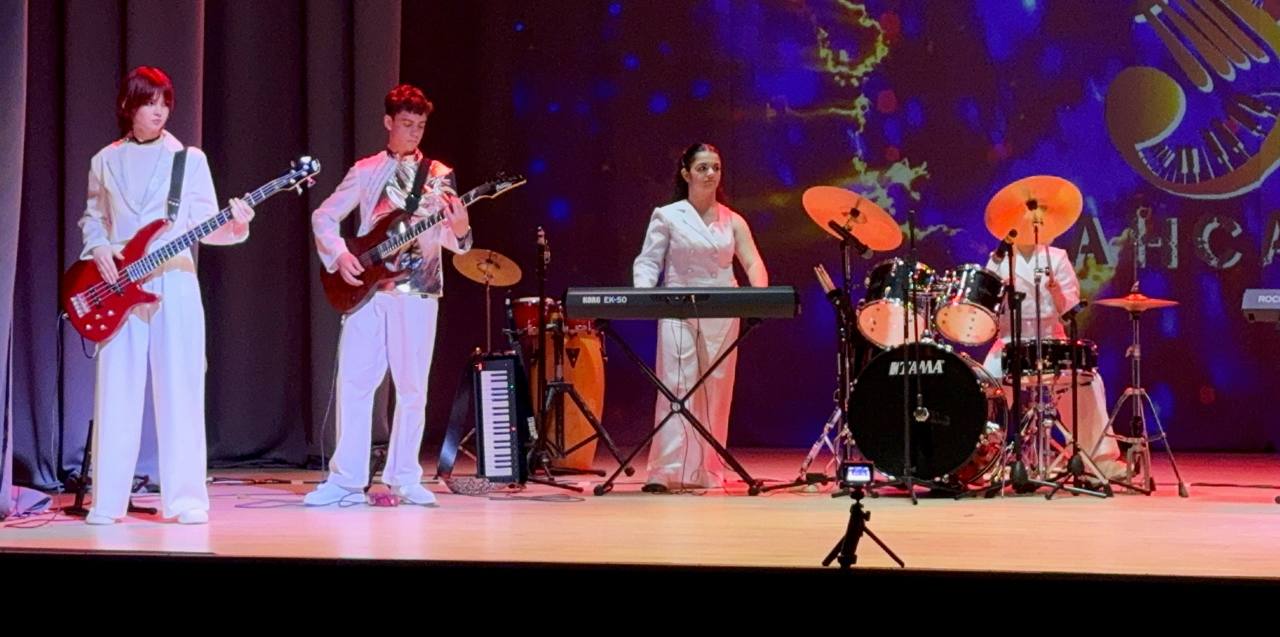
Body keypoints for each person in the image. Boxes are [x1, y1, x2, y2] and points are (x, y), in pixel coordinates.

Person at [79, 66, 255, 525]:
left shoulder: (188, 160)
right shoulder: (104, 160)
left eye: (164, 103)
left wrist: (236, 223)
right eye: (149, 103)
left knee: (181, 385)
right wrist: (98, 246)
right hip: (120, 283)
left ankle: (186, 500)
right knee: (116, 389)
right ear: (129, 106)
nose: (158, 112)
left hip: (174, 279)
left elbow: (206, 226)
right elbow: (94, 217)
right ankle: (107, 501)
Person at [306, 84, 471, 507]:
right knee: (355, 382)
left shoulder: (439, 174)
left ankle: (404, 477)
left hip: (418, 290)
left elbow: (453, 242)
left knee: (412, 387)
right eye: (407, 124)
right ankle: (346, 479)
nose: (414, 132)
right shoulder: (366, 170)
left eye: (420, 125)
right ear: (388, 122)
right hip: (369, 289)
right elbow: (324, 216)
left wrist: (461, 229)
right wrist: (340, 255)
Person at [632, 143, 768, 492]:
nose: (710, 174)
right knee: (676, 383)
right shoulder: (667, 215)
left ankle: (707, 469)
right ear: (686, 173)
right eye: (703, 167)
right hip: (677, 305)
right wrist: (644, 296)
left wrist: (761, 296)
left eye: (716, 168)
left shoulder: (732, 220)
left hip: (722, 309)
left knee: (715, 390)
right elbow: (648, 260)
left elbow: (752, 261)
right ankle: (665, 471)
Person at [982, 242, 1127, 481]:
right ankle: (980, 461)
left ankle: (1099, 460)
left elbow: (1070, 311)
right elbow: (985, 306)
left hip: (1051, 339)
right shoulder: (998, 259)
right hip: (1009, 341)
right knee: (984, 388)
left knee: (1087, 383)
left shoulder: (1057, 257)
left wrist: (1057, 291)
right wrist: (1001, 293)